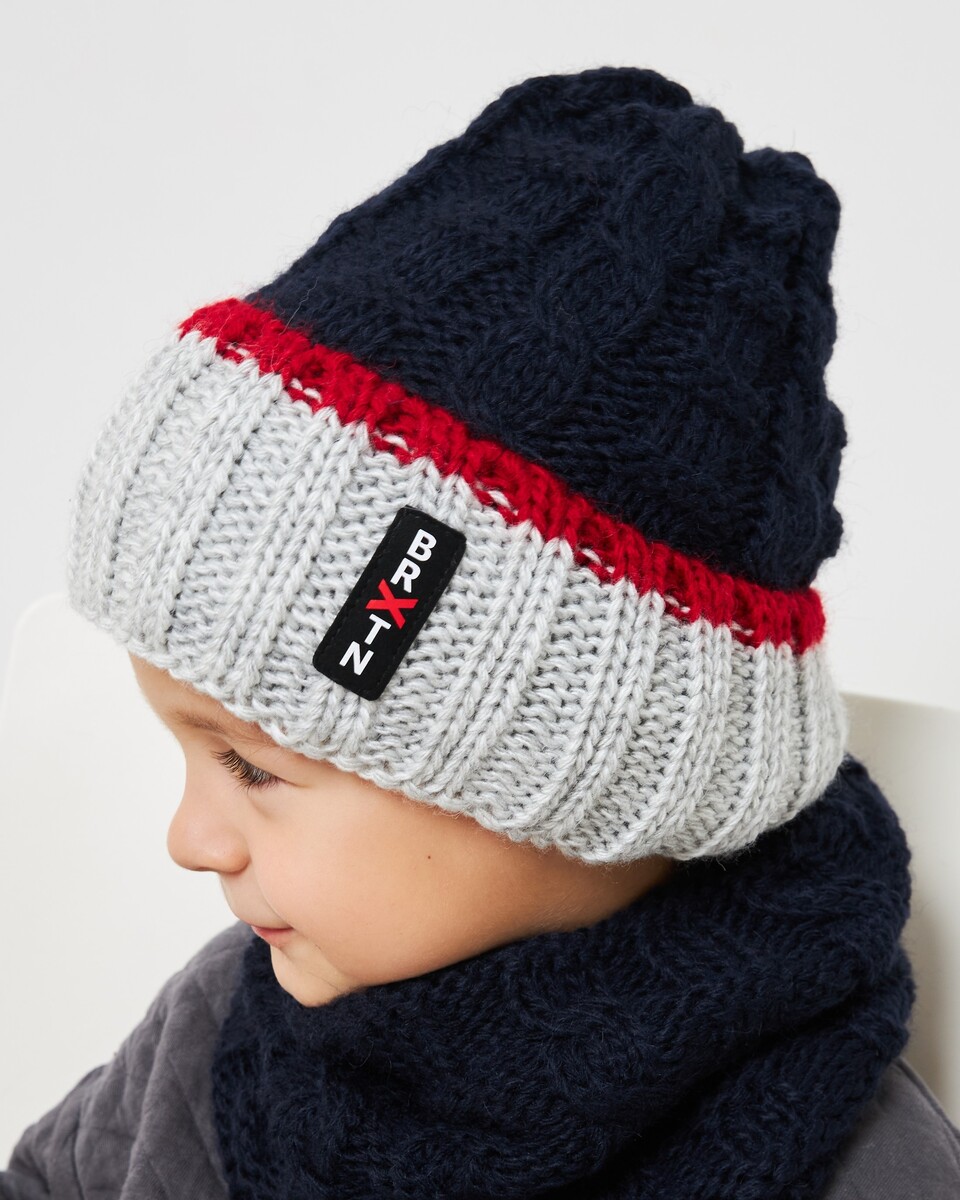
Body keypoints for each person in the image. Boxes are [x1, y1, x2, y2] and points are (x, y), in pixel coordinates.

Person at [3, 64, 959, 1199]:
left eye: (251, 767)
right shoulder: (220, 1035)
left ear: (578, 768)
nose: (191, 839)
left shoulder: (855, 1159)